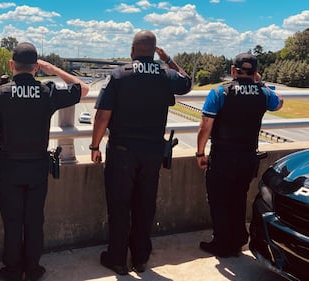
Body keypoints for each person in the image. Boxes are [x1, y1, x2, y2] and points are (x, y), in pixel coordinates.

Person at [0, 42, 89, 281]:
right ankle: (32, 269)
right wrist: (55, 70)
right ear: (36, 68)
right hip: (38, 167)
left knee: (12, 221)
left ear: (11, 65)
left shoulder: (0, 94)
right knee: (34, 220)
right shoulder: (47, 92)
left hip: (8, 168)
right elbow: (83, 89)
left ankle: (11, 270)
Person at [90, 30, 192, 275]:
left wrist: (94, 146)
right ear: (154, 50)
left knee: (119, 206)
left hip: (122, 152)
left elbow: (103, 115)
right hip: (153, 152)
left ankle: (116, 258)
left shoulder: (119, 75)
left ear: (132, 51)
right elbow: (186, 82)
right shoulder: (166, 75)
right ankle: (140, 258)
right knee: (145, 206)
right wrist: (168, 60)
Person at [196, 52, 283, 257]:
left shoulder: (220, 92)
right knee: (238, 197)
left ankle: (222, 243)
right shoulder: (263, 93)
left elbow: (206, 125)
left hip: (223, 157)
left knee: (219, 200)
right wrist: (260, 83)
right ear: (255, 73)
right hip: (248, 157)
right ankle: (238, 239)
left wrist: (200, 153)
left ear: (233, 71)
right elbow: (279, 103)